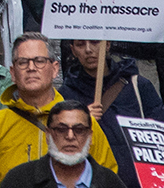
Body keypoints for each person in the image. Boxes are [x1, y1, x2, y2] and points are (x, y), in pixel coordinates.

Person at [0, 34, 119, 188]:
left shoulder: (83, 124)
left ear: (55, 69)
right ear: (12, 72)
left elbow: (107, 178)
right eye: (23, 62)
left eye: (39, 61)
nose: (31, 68)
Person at [61, 39, 164, 188]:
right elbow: (59, 145)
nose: (88, 49)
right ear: (73, 50)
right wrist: (80, 121)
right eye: (80, 44)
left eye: (95, 42)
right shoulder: (65, 94)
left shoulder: (139, 86)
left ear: (107, 44)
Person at [0, 102, 125, 188]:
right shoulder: (19, 180)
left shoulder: (111, 182)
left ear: (90, 136)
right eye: (61, 129)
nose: (70, 136)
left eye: (79, 130)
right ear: (48, 135)